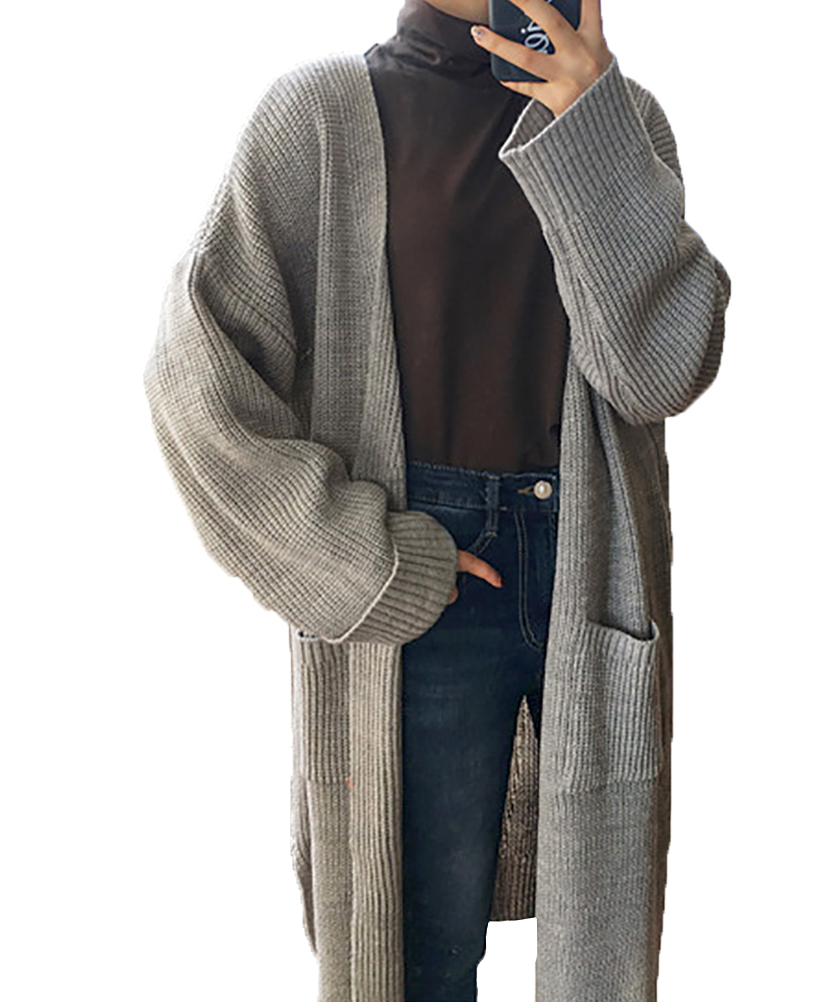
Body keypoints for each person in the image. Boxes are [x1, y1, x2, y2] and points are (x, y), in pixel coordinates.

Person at [144, 1, 730, 999]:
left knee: (601, 962)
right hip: (425, 579)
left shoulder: (622, 120)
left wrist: (591, 132)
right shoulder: (319, 115)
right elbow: (196, 382)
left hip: (588, 569)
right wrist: (365, 562)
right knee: (411, 958)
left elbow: (660, 371)